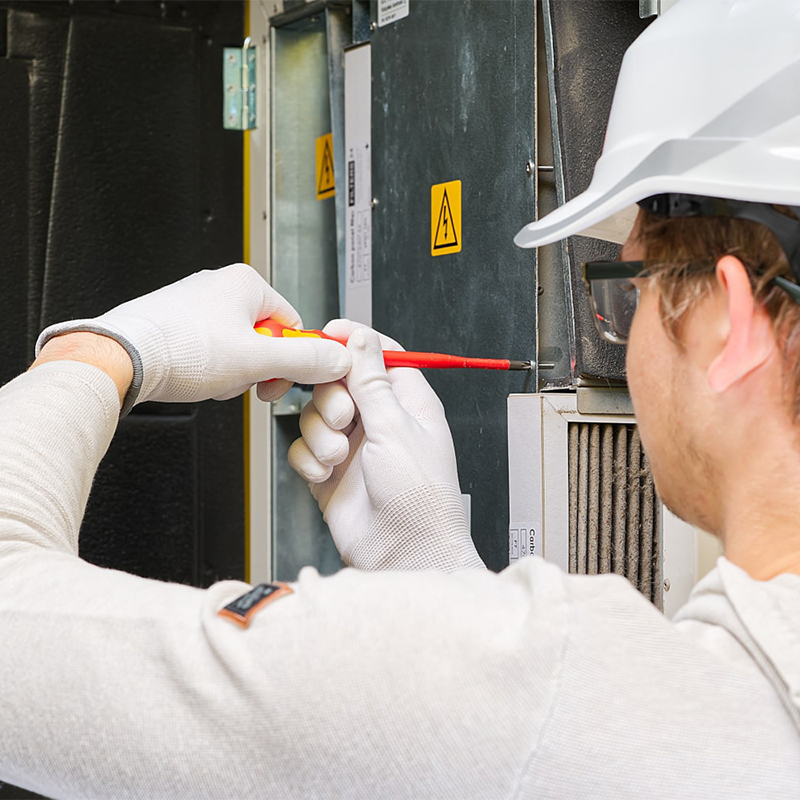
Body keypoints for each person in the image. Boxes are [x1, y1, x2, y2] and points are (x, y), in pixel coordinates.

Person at [1, 0, 798, 797]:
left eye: (623, 296)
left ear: (729, 325)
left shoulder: (555, 685)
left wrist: (105, 352)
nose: (624, 338)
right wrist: (435, 569)